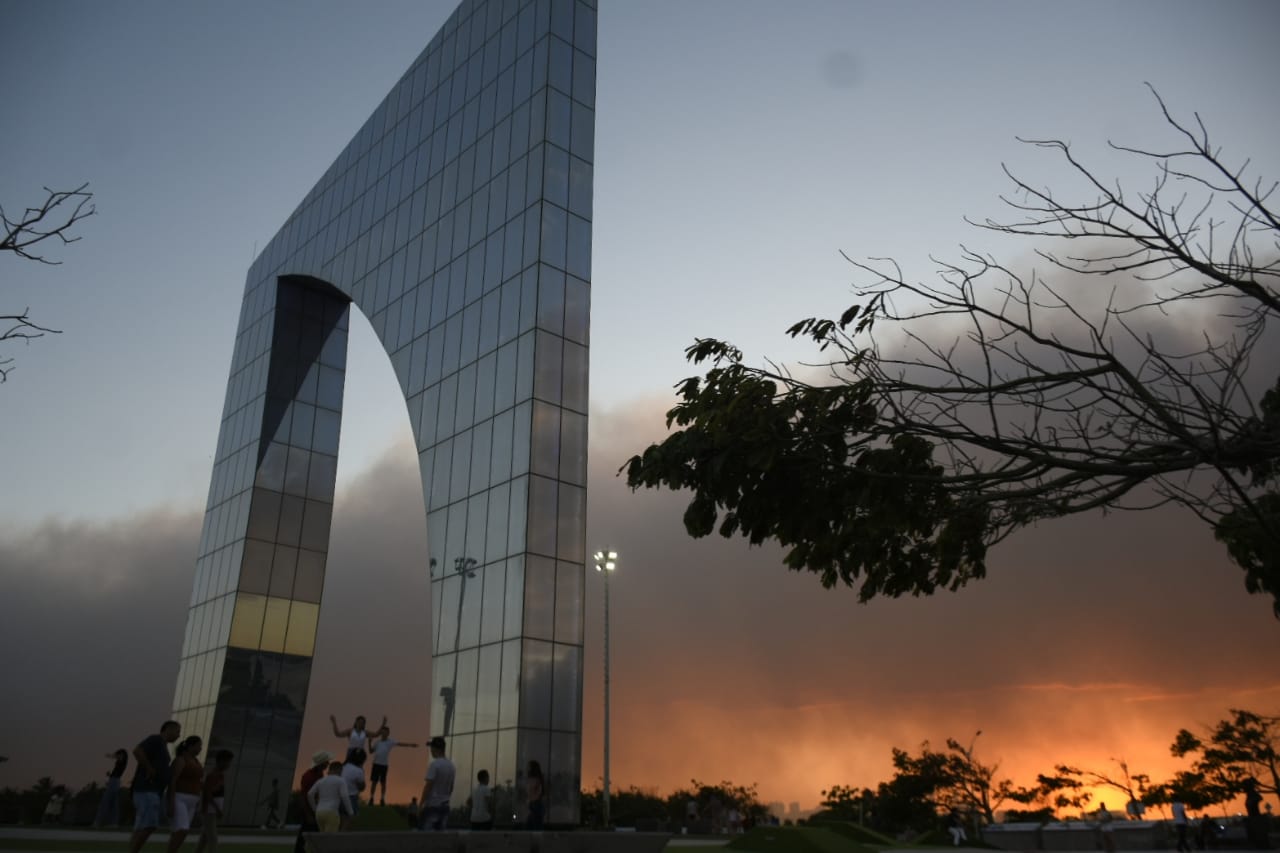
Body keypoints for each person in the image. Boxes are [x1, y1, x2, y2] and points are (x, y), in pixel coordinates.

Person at [129, 719, 182, 853]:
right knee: (150, 825)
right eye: (177, 731)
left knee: (141, 827)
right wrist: (148, 768)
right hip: (147, 790)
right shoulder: (156, 740)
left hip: (153, 791)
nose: (178, 735)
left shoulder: (163, 746)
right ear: (168, 729)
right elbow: (137, 751)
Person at [167, 735, 204, 853]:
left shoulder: (197, 761)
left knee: (178, 831)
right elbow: (173, 781)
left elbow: (198, 781)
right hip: (180, 798)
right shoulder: (181, 760)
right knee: (183, 829)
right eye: (198, 746)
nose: (200, 749)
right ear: (190, 746)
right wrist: (171, 802)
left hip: (192, 800)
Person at [367, 726, 419, 806]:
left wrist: (411, 745)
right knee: (374, 782)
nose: (384, 734)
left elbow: (400, 744)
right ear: (381, 733)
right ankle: (371, 798)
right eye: (383, 732)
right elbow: (370, 751)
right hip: (376, 764)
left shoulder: (390, 742)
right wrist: (369, 742)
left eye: (385, 732)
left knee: (383, 783)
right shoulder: (377, 742)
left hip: (384, 765)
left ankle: (382, 799)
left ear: (388, 733)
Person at [293, 750, 333, 853]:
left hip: (316, 809)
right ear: (321, 763)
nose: (328, 764)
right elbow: (303, 796)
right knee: (307, 834)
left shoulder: (320, 774)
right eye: (326, 762)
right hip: (309, 810)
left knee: (313, 833)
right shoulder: (308, 776)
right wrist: (308, 815)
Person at [195, 749, 233, 853]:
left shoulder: (220, 775)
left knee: (205, 838)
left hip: (212, 811)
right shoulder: (213, 775)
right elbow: (207, 794)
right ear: (221, 761)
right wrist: (217, 809)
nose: (229, 764)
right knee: (213, 838)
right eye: (228, 762)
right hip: (209, 810)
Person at [419, 736, 456, 831]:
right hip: (445, 806)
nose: (431, 750)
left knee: (427, 837)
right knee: (441, 837)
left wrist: (420, 805)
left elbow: (428, 786)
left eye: (432, 748)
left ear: (436, 748)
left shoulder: (434, 765)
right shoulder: (451, 766)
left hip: (432, 806)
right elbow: (451, 787)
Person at [308, 761, 353, 833]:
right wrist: (350, 812)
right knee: (330, 839)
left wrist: (315, 809)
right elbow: (345, 797)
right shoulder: (340, 780)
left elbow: (310, 794)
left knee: (323, 838)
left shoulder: (321, 781)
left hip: (319, 813)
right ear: (339, 770)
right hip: (331, 812)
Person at [93, 748, 129, 828]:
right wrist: (110, 775)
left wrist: (111, 755)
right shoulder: (121, 763)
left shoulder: (122, 761)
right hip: (115, 781)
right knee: (113, 803)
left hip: (114, 782)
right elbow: (115, 773)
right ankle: (113, 823)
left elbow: (119, 757)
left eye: (119, 754)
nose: (117, 756)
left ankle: (98, 822)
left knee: (105, 801)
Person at [340, 748, 367, 818]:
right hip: (351, 798)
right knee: (348, 823)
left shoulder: (342, 767)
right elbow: (362, 787)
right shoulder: (359, 771)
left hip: (338, 797)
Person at [525, 760, 545, 830]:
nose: (527, 767)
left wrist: (531, 800)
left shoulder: (535, 780)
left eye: (528, 766)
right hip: (534, 805)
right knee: (532, 825)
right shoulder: (533, 779)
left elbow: (538, 793)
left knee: (534, 826)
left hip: (536, 805)